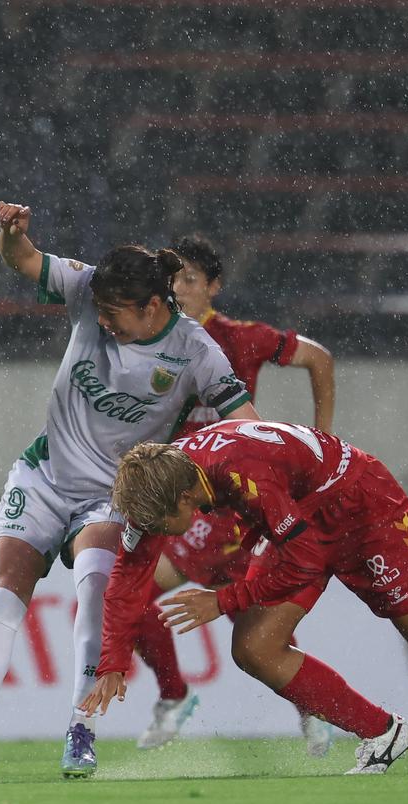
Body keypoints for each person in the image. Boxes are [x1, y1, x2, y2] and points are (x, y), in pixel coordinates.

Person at [81, 420, 408, 774]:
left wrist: (222, 601)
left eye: (162, 525)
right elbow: (129, 573)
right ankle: (382, 733)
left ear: (184, 498)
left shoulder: (244, 476)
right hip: (302, 516)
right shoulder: (163, 480)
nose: (160, 535)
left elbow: (304, 559)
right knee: (256, 649)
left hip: (363, 506)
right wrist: (111, 662)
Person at [0, 202, 259, 782]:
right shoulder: (89, 286)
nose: (105, 324)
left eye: (118, 317)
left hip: (113, 496)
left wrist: (239, 495)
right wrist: (9, 234)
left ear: (153, 307)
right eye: (102, 314)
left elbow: (248, 426)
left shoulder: (196, 353)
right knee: (1, 597)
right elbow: (24, 259)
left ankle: (81, 731)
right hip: (43, 476)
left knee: (95, 595)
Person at [130, 235, 338, 753]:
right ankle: (181, 697)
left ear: (214, 287)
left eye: (190, 281)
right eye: (172, 280)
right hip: (185, 504)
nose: (179, 290)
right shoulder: (148, 342)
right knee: (247, 626)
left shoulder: (240, 339)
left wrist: (322, 439)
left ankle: (304, 706)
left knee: (251, 629)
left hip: (239, 506)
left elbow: (320, 359)